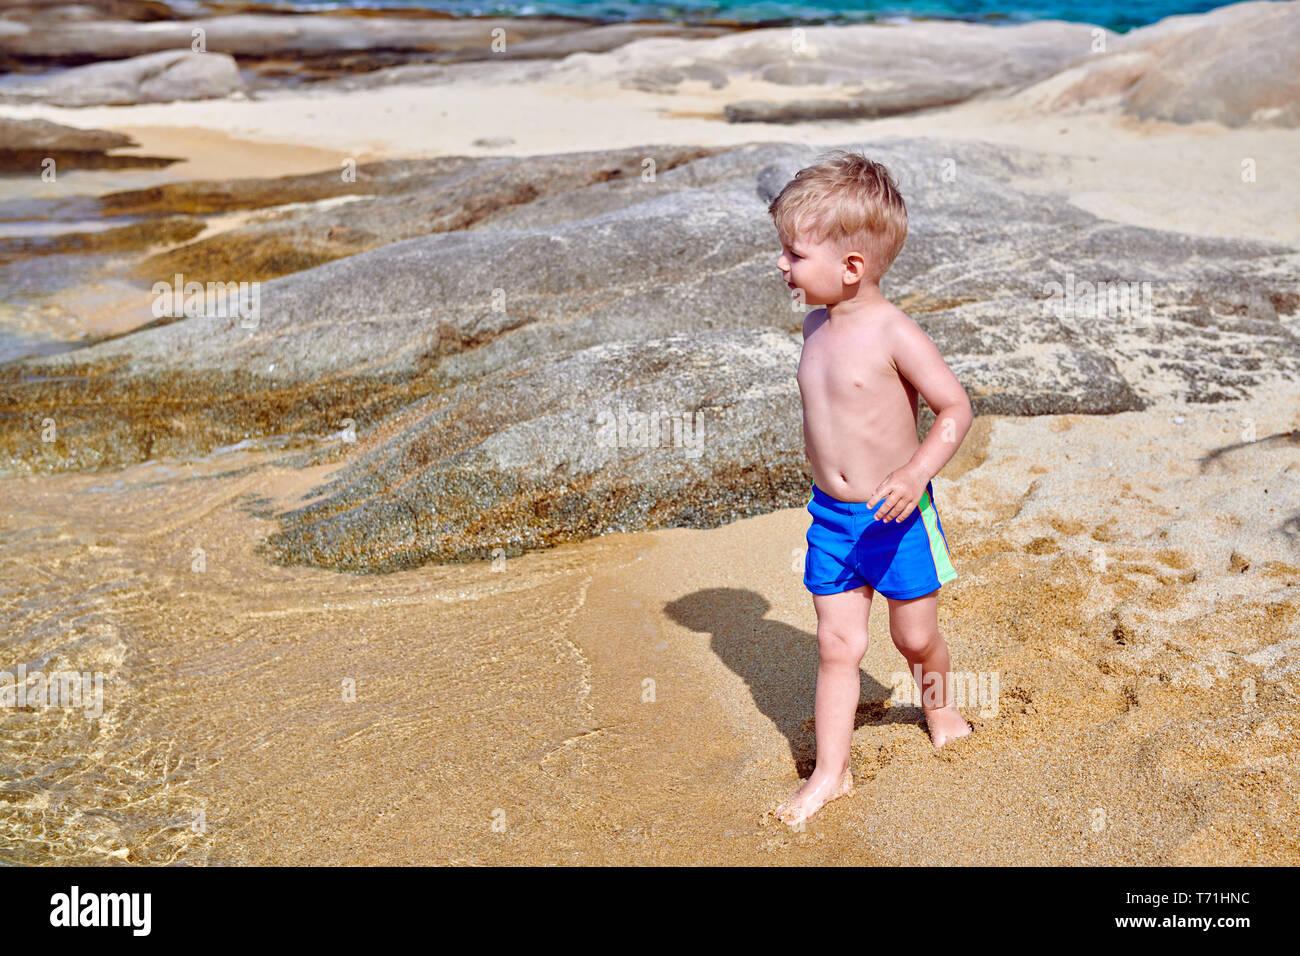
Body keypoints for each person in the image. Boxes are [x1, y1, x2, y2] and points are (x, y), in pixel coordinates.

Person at [768, 148, 974, 827]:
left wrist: (915, 475)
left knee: (915, 638)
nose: (782, 266)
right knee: (837, 645)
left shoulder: (895, 334)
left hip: (898, 518)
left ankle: (939, 705)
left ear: (851, 267)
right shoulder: (814, 326)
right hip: (832, 519)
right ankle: (833, 771)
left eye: (795, 255)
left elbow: (954, 409)